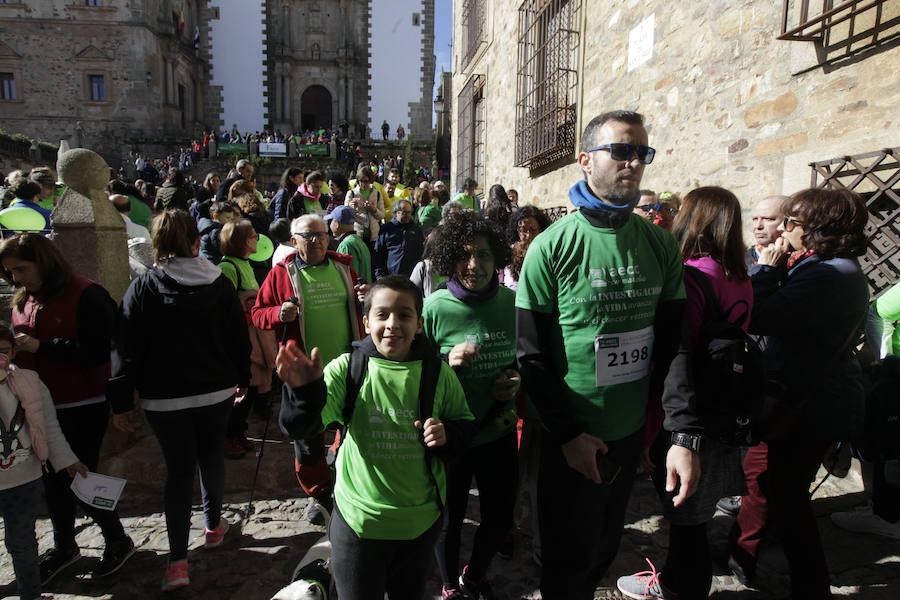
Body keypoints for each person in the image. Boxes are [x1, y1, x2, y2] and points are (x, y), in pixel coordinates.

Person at [515, 110, 684, 600]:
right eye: (622, 150)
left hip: (630, 435)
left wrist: (667, 429)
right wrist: (568, 435)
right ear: (586, 160)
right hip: (569, 438)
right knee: (564, 563)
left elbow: (673, 345)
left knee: (604, 550)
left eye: (642, 152)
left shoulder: (660, 244)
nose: (633, 162)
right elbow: (531, 355)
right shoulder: (551, 247)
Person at [276, 275, 475, 599]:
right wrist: (303, 394)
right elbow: (300, 427)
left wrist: (447, 434)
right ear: (367, 322)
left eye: (404, 314)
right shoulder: (347, 368)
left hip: (420, 525)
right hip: (357, 525)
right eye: (382, 315)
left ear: (419, 323)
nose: (393, 324)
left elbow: (465, 427)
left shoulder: (439, 374)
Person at [728, 188, 869, 600]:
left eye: (790, 222)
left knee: (787, 499)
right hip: (801, 397)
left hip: (807, 405)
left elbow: (761, 315)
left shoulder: (828, 274)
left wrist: (766, 271)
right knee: (767, 482)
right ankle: (743, 555)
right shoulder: (821, 266)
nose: (782, 229)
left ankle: (810, 585)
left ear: (816, 229)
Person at [615, 186, 752, 600]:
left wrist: (653, 430)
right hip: (721, 409)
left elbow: (676, 357)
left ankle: (677, 587)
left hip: (686, 417)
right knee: (696, 518)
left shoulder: (692, 277)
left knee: (686, 520)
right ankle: (674, 581)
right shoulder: (739, 276)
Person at [107, 210, 250, 592]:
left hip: (164, 399)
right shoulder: (219, 284)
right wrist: (243, 377)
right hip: (215, 391)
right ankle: (213, 526)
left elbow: (124, 347)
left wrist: (121, 400)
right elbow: (237, 336)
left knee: (180, 472)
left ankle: (177, 561)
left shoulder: (143, 288)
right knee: (211, 458)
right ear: (197, 242)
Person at [0, 233, 135, 584]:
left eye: (21, 269)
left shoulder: (87, 294)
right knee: (52, 482)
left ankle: (117, 539)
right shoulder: (24, 299)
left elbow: (102, 350)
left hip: (82, 402)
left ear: (43, 262)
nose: (16, 278)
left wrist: (42, 347)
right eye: (10, 272)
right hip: (32, 406)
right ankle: (64, 546)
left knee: (77, 474)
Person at [422, 211, 519, 599]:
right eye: (464, 255)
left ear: (498, 259)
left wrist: (515, 380)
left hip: (498, 429)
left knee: (500, 518)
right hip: (452, 435)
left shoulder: (514, 303)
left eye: (483, 254)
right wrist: (446, 363)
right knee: (449, 521)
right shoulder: (434, 307)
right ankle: (450, 587)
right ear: (450, 258)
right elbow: (413, 373)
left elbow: (526, 360)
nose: (474, 264)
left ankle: (474, 575)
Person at [251, 214, 368, 525]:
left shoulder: (344, 268)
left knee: (349, 426)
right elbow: (258, 314)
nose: (316, 240)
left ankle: (343, 473)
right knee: (307, 438)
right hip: (303, 375)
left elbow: (363, 307)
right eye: (308, 235)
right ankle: (319, 493)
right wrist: (279, 313)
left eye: (321, 234)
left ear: (329, 238)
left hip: (347, 368)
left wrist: (365, 298)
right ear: (294, 241)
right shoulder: (280, 273)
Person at [0, 326, 87, 600]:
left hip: (23, 479)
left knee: (23, 542)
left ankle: (31, 594)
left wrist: (67, 460)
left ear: (13, 353)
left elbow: (48, 426)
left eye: (3, 351)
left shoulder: (30, 383)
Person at [218, 219, 271, 458]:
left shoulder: (246, 263)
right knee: (241, 390)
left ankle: (239, 432)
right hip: (241, 339)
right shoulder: (228, 267)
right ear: (242, 241)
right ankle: (230, 436)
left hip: (253, 337)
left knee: (251, 388)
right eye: (253, 236)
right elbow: (226, 305)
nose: (257, 239)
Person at [373, 199, 425, 279]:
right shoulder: (387, 229)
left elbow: (421, 251)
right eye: (404, 212)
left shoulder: (416, 229)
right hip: (391, 275)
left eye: (409, 212)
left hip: (411, 276)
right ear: (396, 212)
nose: (407, 215)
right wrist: (379, 274)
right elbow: (378, 252)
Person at [326, 205, 371, 285]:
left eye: (332, 220)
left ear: (337, 224)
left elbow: (348, 276)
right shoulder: (358, 241)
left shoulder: (346, 245)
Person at [345, 166, 385, 249]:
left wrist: (374, 209)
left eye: (366, 181)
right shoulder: (351, 193)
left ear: (371, 181)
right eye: (361, 181)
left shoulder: (377, 194)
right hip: (357, 235)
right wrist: (350, 207)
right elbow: (344, 215)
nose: (363, 184)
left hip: (373, 237)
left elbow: (382, 215)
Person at [746, 195, 788, 267]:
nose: (758, 226)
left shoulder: (803, 264)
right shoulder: (739, 261)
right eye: (755, 219)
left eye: (768, 219)